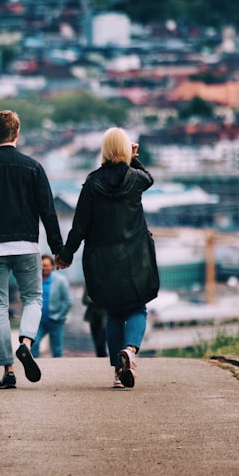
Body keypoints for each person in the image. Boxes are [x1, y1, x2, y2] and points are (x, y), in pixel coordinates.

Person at [0, 110, 69, 389]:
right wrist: (58, 250)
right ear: (17, 133)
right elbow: (48, 212)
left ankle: (8, 370)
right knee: (34, 298)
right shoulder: (33, 167)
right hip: (26, 246)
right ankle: (26, 342)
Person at [57, 127, 157, 389]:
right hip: (135, 257)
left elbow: (80, 225)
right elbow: (149, 178)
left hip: (103, 260)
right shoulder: (135, 179)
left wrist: (66, 255)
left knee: (113, 313)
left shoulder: (92, 183)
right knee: (137, 307)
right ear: (125, 149)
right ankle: (131, 351)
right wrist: (133, 157)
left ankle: (117, 373)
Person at [31, 254, 72, 358]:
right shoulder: (35, 280)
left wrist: (59, 316)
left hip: (55, 321)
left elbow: (68, 301)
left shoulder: (61, 281)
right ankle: (35, 367)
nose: (44, 268)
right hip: (39, 321)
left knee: (57, 349)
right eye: (42, 265)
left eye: (46, 265)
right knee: (34, 344)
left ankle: (58, 370)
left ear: (52, 266)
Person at [82, 286, 109, 357]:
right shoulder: (90, 279)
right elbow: (84, 299)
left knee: (100, 343)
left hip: (106, 316)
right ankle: (100, 360)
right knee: (97, 344)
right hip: (93, 317)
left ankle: (103, 359)